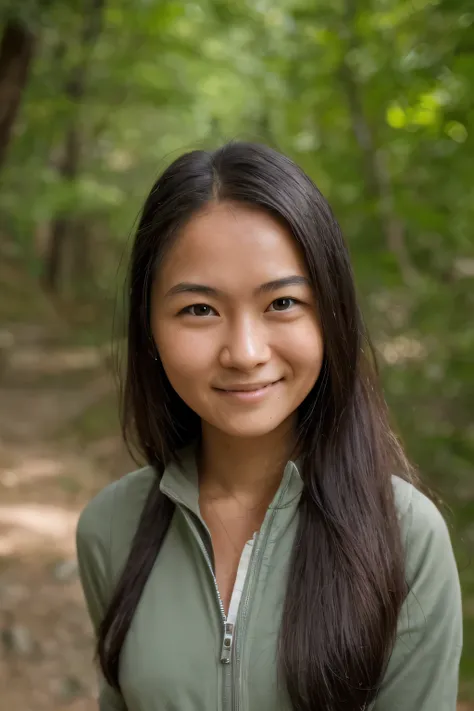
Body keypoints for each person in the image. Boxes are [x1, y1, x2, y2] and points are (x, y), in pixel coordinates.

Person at [76, 142, 463, 711]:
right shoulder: (112, 529)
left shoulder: (407, 539)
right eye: (200, 310)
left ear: (332, 314)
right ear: (150, 329)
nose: (245, 352)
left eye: (282, 302)